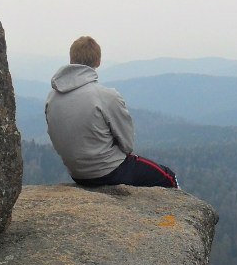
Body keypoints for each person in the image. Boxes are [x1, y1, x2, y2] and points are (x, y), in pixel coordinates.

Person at [45, 36, 179, 188]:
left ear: (71, 59)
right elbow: (127, 145)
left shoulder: (52, 98)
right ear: (98, 62)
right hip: (110, 171)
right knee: (169, 177)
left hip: (77, 174)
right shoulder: (105, 96)